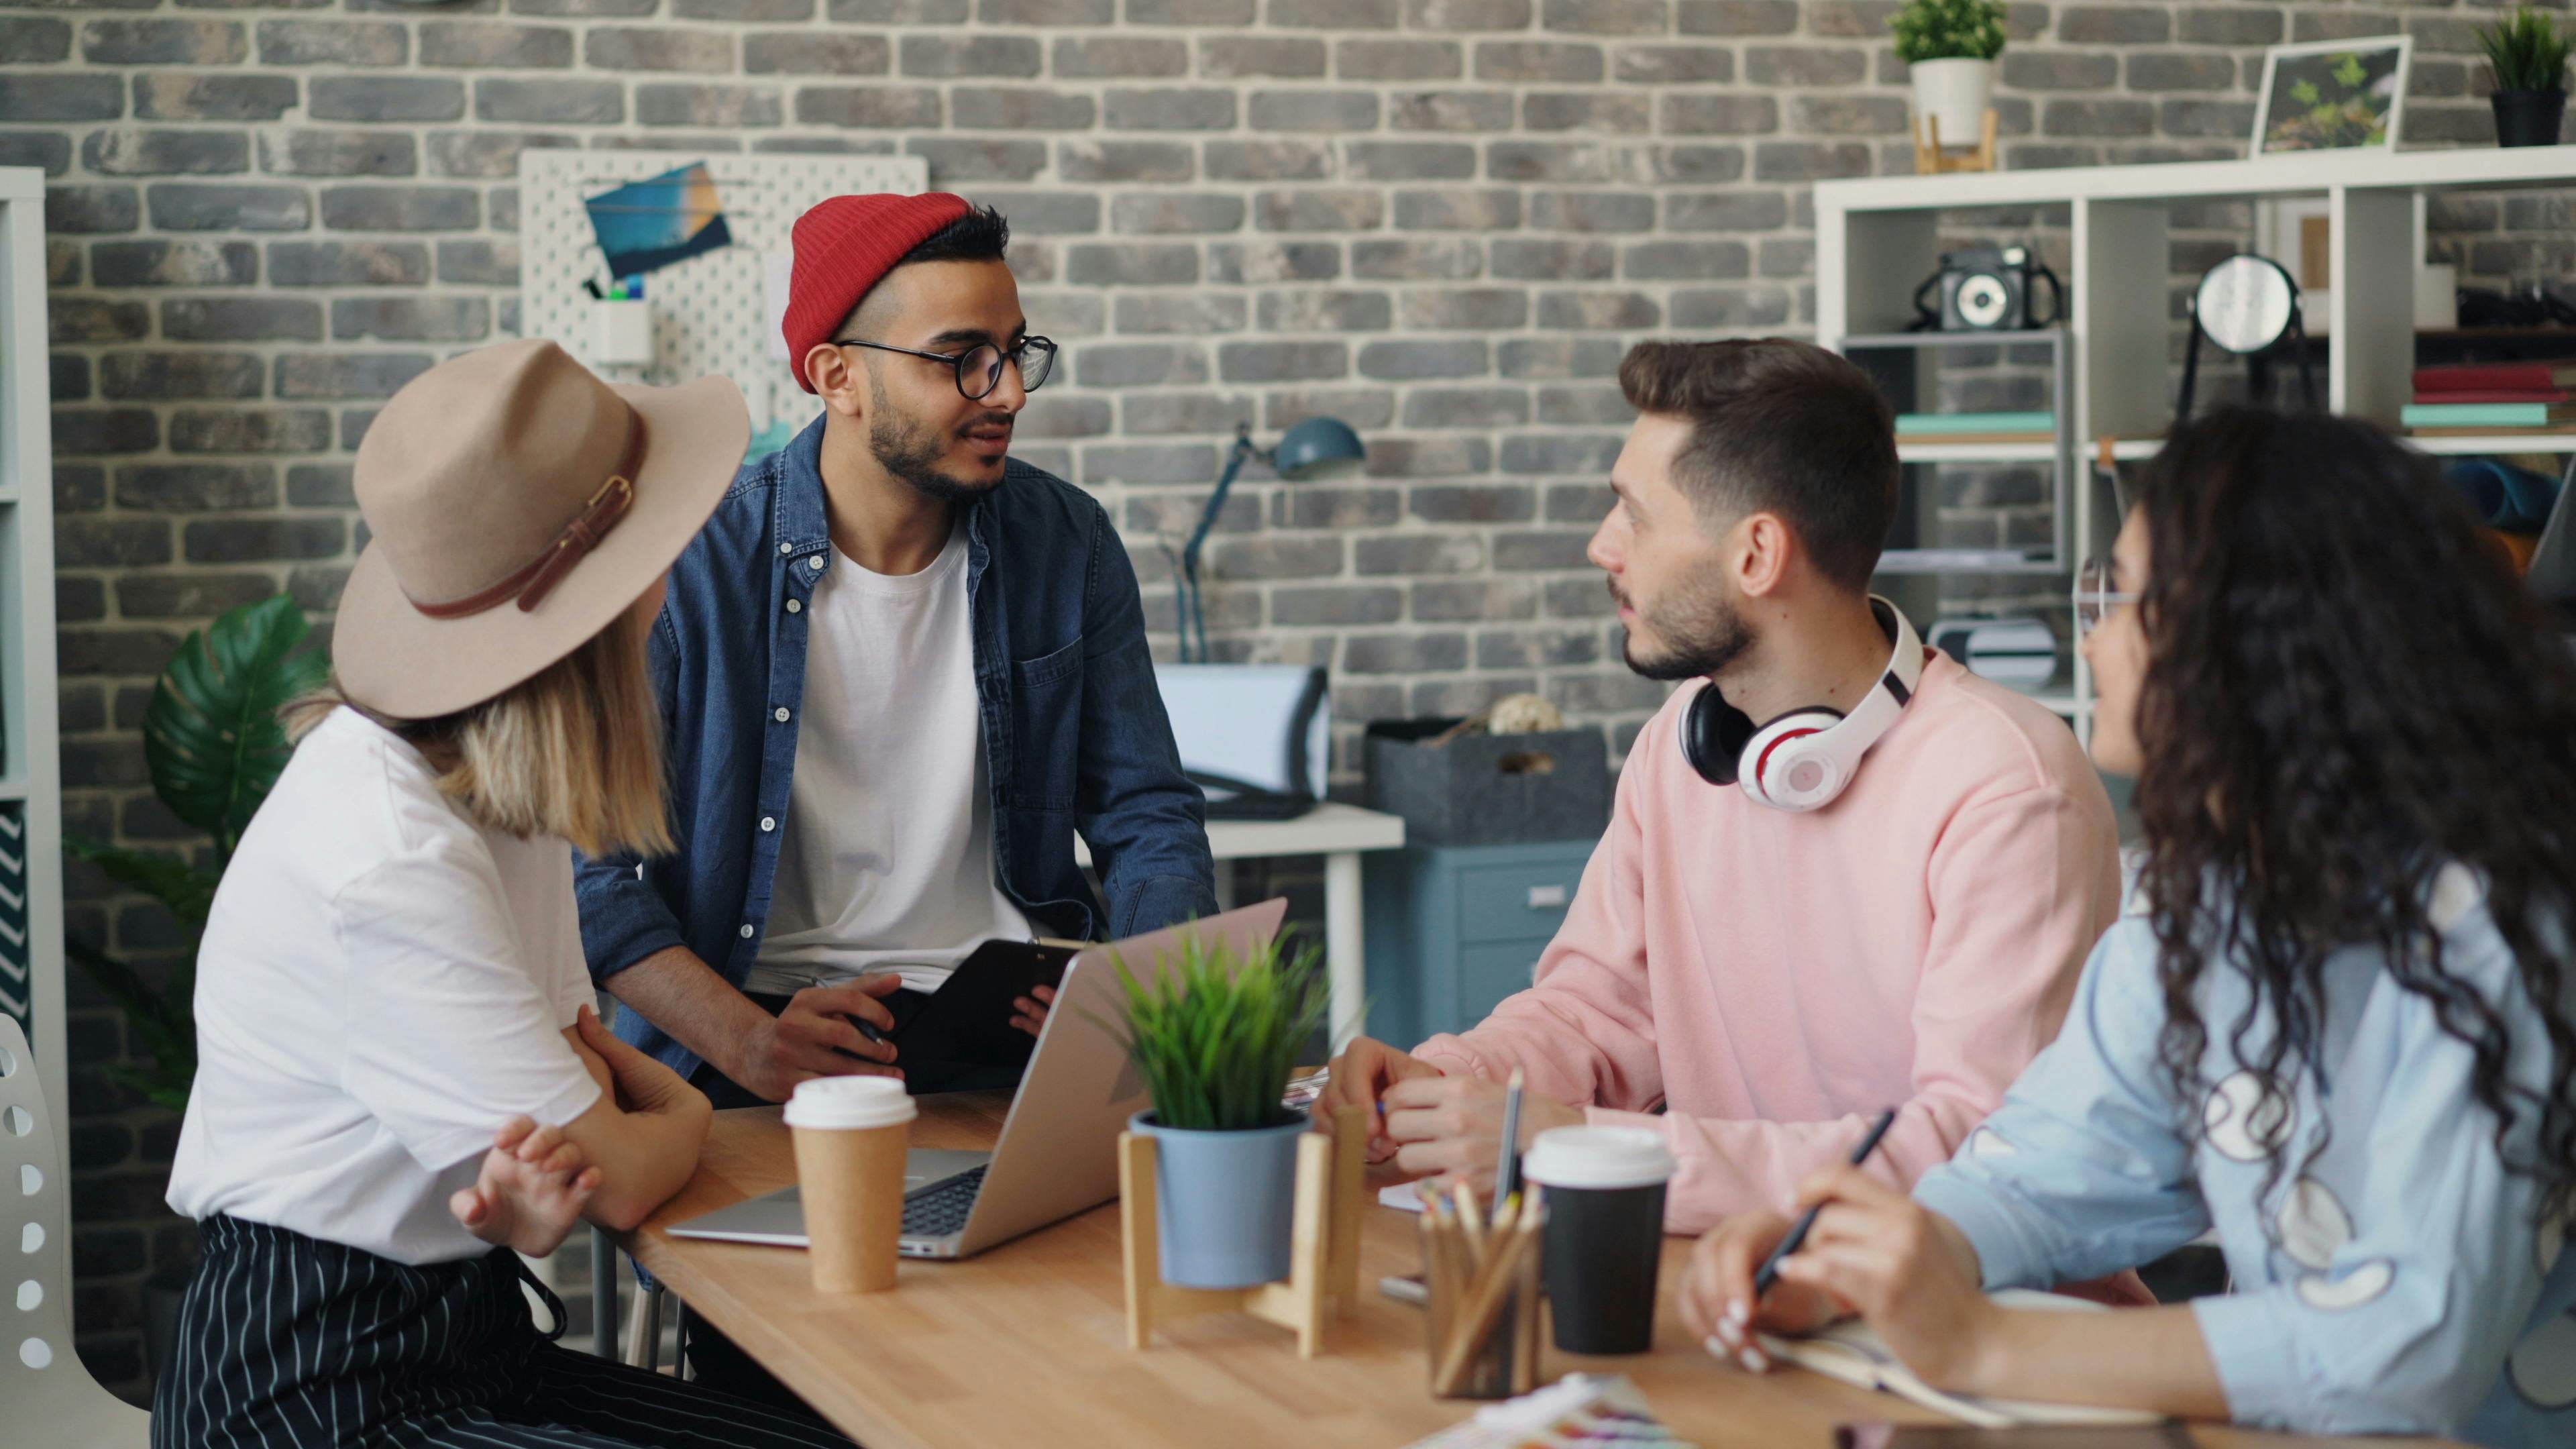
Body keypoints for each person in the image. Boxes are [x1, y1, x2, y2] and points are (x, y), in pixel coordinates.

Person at [1683, 409, 2576, 1446]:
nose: (2094, 634)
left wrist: (1981, 1345)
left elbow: (2410, 1345)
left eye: (2119, 595)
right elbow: (2046, 1176)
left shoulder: (2507, 920)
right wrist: (1854, 1262)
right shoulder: (2201, 911)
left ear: (2251, 637)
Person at [156, 339, 855, 1448]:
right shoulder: (390, 854)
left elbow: (586, 1094)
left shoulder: (502, 788)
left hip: (473, 1344)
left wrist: (616, 1133)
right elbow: (619, 1167)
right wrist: (675, 1108)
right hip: (313, 1389)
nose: (678, 568)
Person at [1318, 339, 2124, 1235]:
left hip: (1975, 1333)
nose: (1601, 546)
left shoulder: (2008, 785)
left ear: (1756, 555)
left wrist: (1573, 1147)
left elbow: (1971, 1153)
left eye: (1634, 514)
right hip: (1745, 1297)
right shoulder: (1683, 744)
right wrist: (1446, 1085)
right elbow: (1597, 1013)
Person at [575, 193, 1216, 1109]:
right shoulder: (691, 564)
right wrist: (749, 1044)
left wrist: (1142, 1010)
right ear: (838, 377)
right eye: (963, 360)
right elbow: (584, 869)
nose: (1010, 393)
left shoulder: (1066, 542)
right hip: (753, 1049)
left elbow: (1147, 812)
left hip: (1009, 1039)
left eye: (1014, 353)